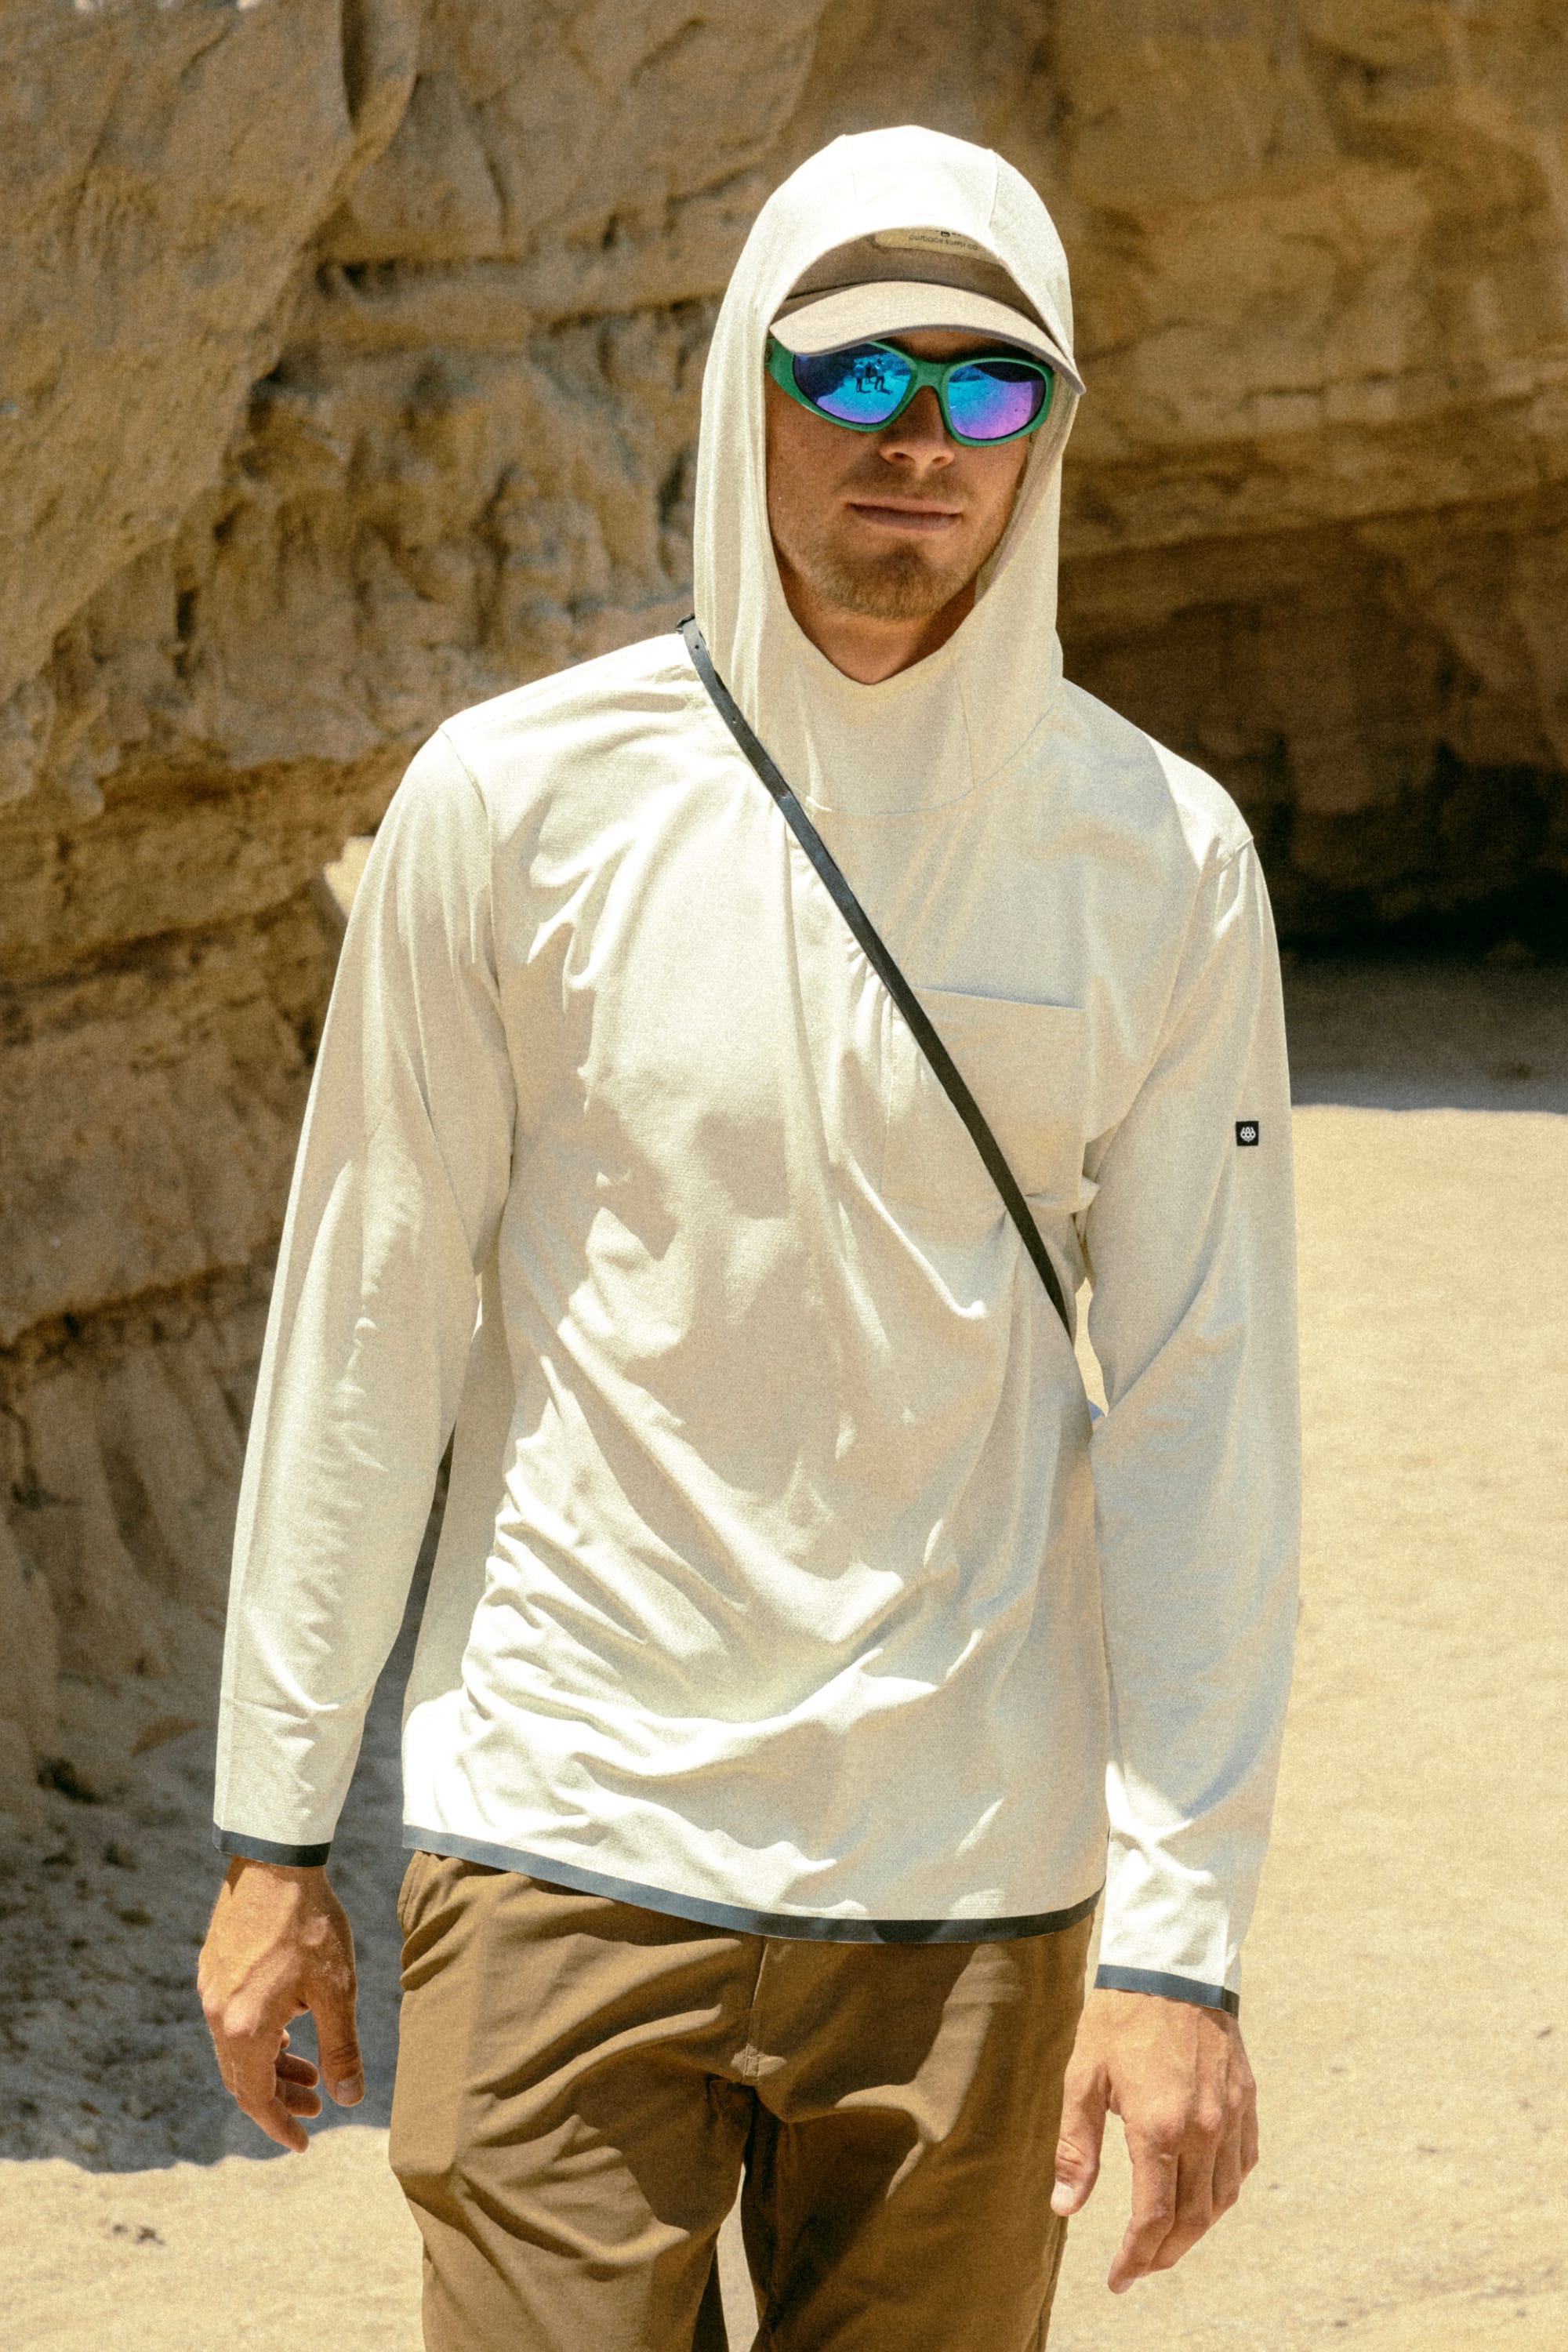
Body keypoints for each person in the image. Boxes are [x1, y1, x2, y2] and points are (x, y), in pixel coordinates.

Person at [198, 125, 1300, 2352]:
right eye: (857, 374)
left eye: (987, 390)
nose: (920, 443)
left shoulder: (1156, 858)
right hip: (565, 1843)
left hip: (976, 1898)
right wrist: (270, 1839)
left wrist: (1181, 1952)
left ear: (1055, 430)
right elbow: (368, 1322)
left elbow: (1206, 1406)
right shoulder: (513, 803)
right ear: (742, 387)